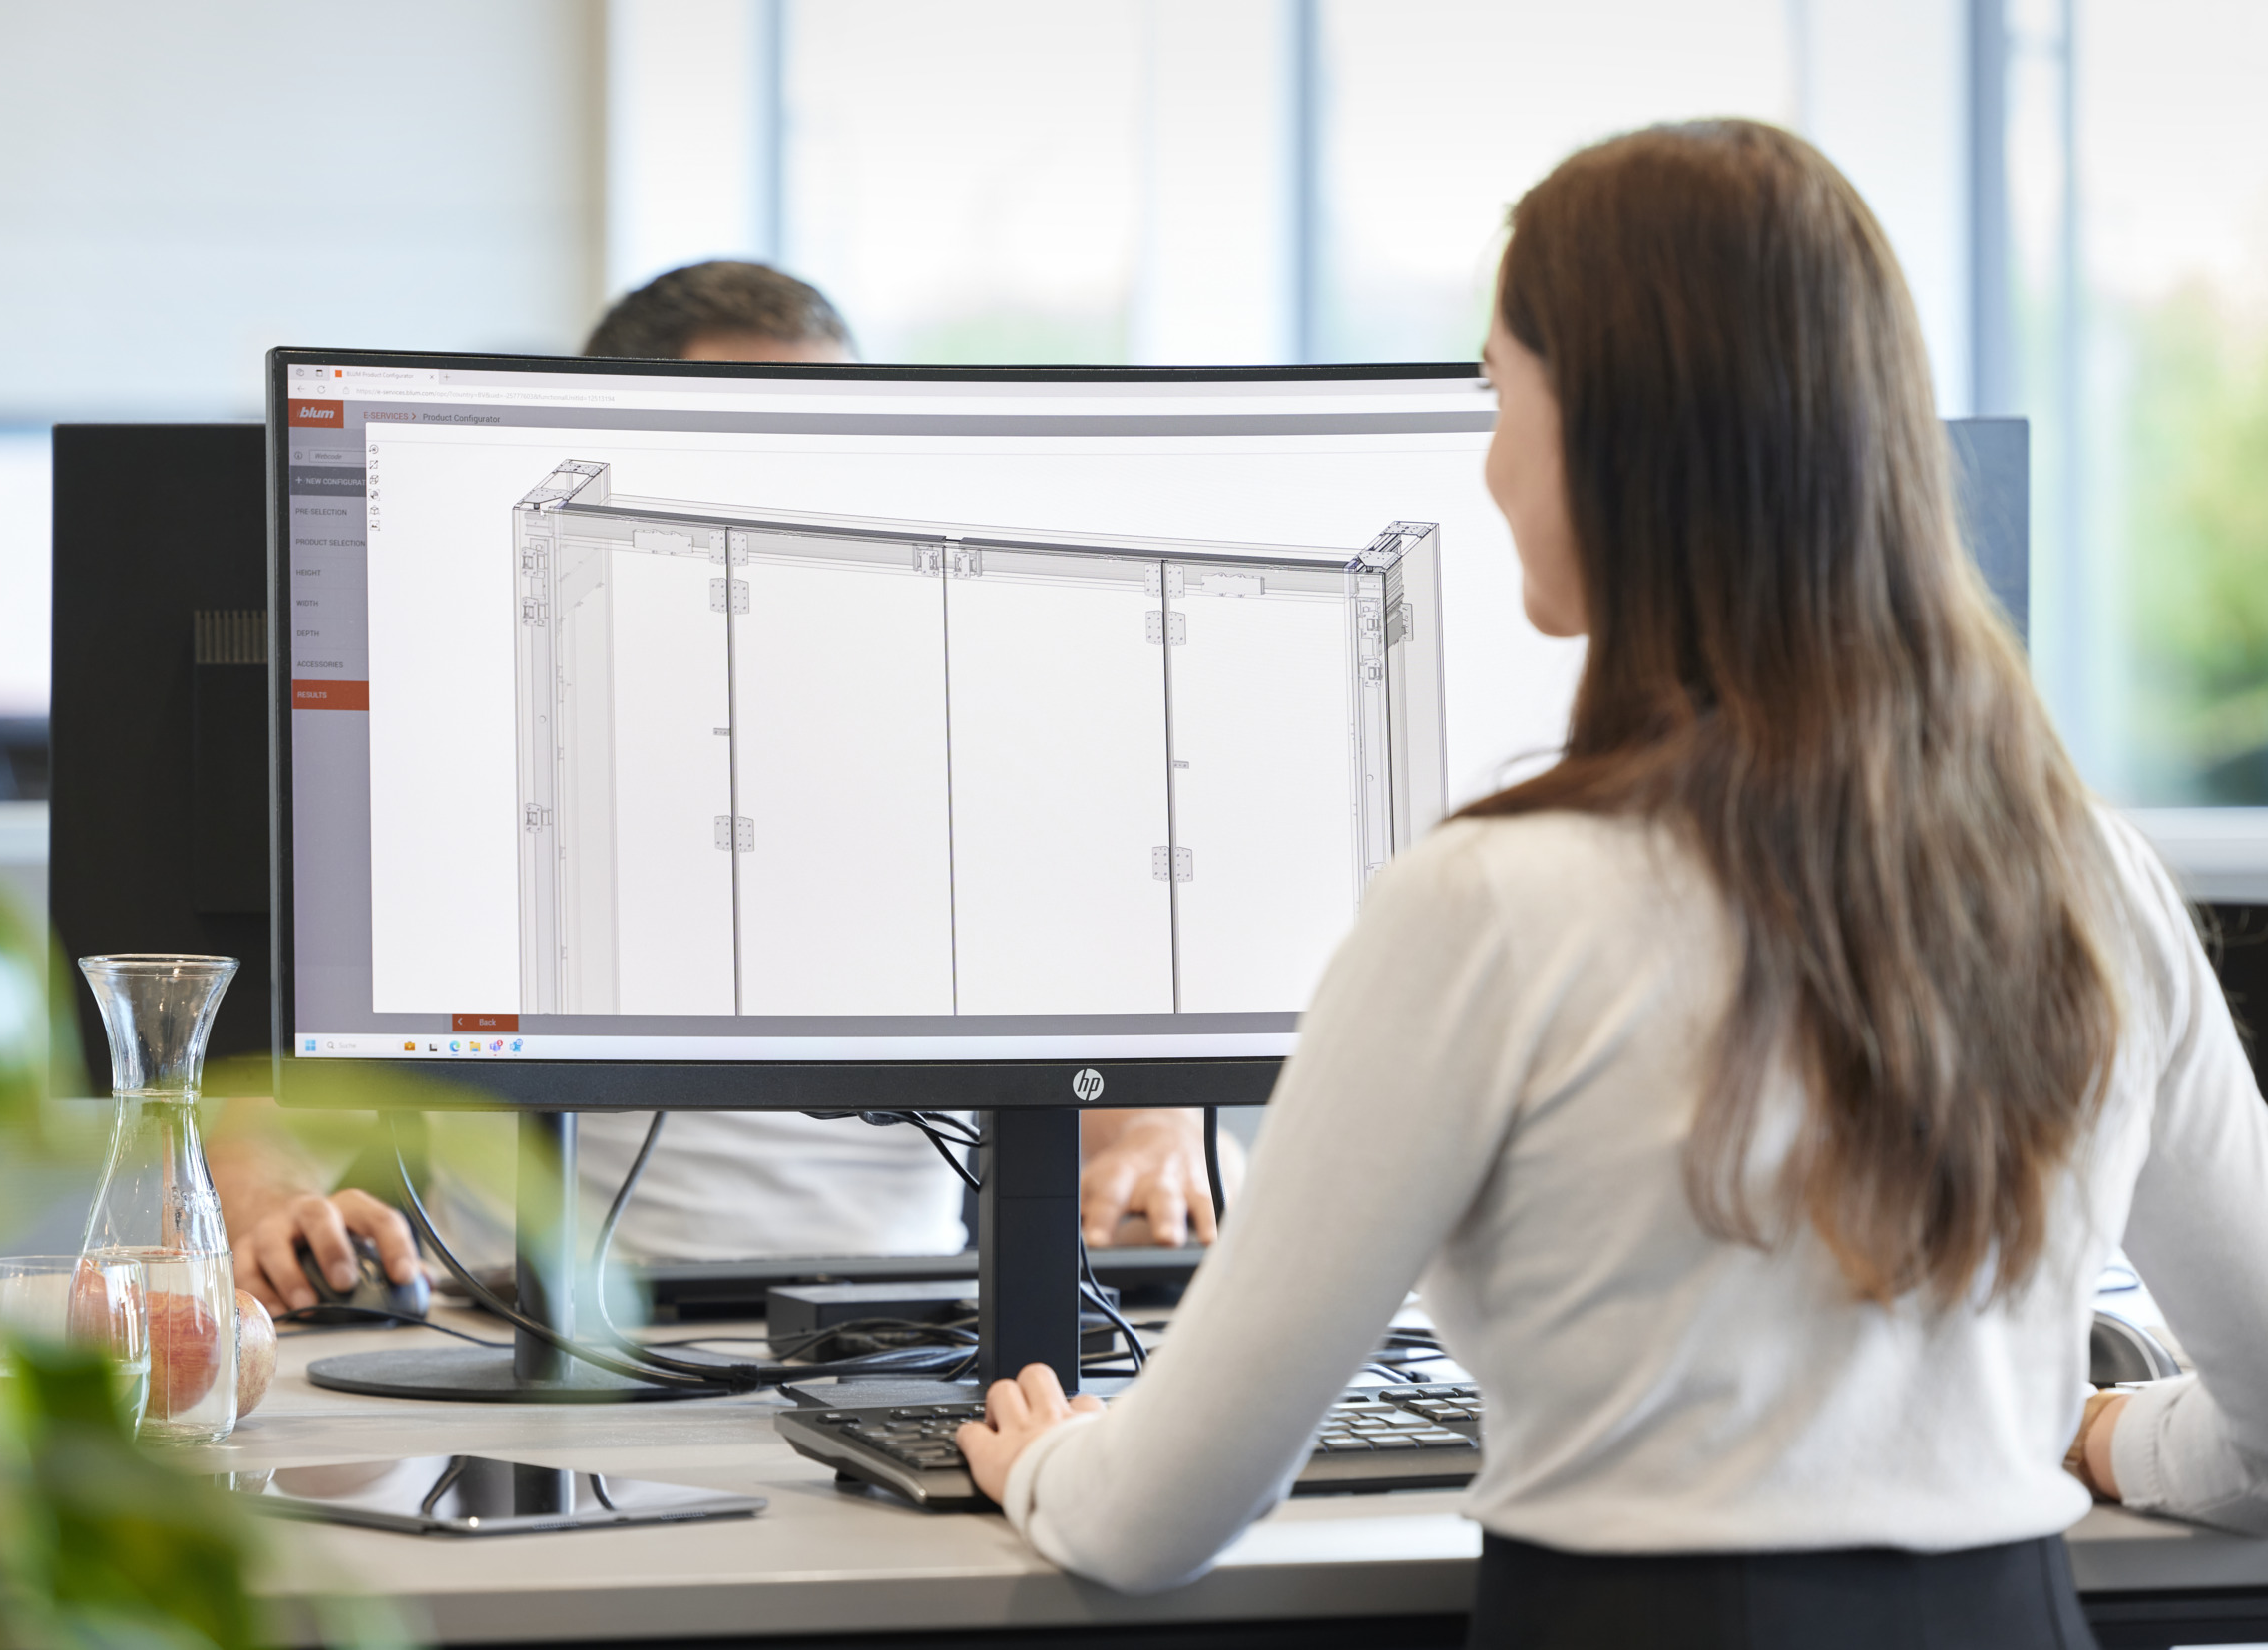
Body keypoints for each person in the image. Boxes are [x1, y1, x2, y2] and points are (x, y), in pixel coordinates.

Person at [954, 121, 2268, 1645]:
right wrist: (2104, 1430)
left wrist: (1050, 1463)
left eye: (1500, 394)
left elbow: (1160, 1513)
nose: (1490, 459)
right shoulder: (2091, 884)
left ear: (1613, 444)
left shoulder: (1489, 910)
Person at [213, 259, 1225, 1315]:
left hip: (899, 1325)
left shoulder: (963, 729)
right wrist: (272, 1199)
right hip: (555, 1332)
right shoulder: (478, 734)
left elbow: (1107, 1093)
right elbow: (278, 1091)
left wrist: (1156, 1135)